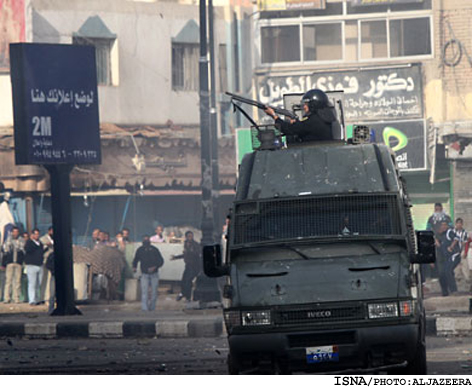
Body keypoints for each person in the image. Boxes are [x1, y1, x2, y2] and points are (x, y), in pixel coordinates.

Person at [264, 89, 336, 143]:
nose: (304, 107)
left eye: (306, 104)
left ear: (313, 104)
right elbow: (303, 127)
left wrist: (274, 116)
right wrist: (295, 123)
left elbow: (289, 129)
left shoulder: (314, 120)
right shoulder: (322, 118)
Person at [132, 235, 164, 311]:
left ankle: (152, 308)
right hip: (144, 274)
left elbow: (161, 261)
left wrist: (155, 267)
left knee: (154, 293)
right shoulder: (140, 250)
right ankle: (145, 309)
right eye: (145, 240)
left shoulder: (154, 250)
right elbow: (136, 259)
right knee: (144, 292)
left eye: (147, 240)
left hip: (154, 274)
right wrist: (134, 267)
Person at [172, 231, 202, 302]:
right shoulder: (186, 244)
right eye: (188, 236)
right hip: (188, 265)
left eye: (191, 236)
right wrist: (176, 257)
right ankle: (184, 294)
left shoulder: (195, 245)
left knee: (188, 281)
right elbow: (186, 255)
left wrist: (191, 252)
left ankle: (186, 295)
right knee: (184, 281)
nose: (190, 238)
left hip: (194, 266)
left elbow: (197, 254)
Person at [1, 226, 25, 304]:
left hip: (18, 263)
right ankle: (6, 298)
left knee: (17, 281)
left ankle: (16, 298)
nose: (15, 233)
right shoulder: (8, 240)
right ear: (12, 232)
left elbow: (23, 250)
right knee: (8, 281)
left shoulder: (21, 240)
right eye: (14, 232)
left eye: (16, 232)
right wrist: (3, 263)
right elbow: (5, 250)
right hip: (10, 263)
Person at [435, 221, 457, 296]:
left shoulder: (449, 232)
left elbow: (456, 239)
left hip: (448, 256)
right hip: (440, 257)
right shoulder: (438, 234)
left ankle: (452, 290)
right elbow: (437, 244)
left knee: (449, 272)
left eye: (445, 225)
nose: (444, 226)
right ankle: (444, 291)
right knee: (441, 274)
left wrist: (451, 247)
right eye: (442, 225)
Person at [24, 229, 45, 305]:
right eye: (35, 234)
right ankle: (32, 300)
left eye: (38, 234)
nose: (37, 236)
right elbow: (28, 249)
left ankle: (37, 299)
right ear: (32, 235)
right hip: (31, 265)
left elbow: (41, 251)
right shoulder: (29, 243)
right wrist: (32, 241)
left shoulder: (40, 243)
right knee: (32, 283)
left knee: (38, 284)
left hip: (40, 265)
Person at [40, 226, 54, 303]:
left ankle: (51, 297)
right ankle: (44, 297)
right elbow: (40, 248)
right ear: (49, 231)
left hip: (53, 261)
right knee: (45, 280)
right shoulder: (43, 239)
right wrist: (47, 245)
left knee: (51, 280)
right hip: (46, 261)